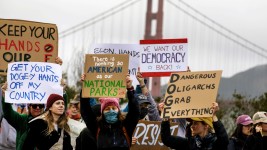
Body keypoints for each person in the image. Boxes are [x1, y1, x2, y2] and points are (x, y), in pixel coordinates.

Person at [80, 74, 139, 150]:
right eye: (107, 109)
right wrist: (85, 88)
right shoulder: (97, 127)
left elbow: (135, 111)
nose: (111, 111)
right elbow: (85, 110)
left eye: (114, 108)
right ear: (102, 112)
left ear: (118, 110)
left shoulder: (126, 126)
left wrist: (130, 89)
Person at [161, 102, 229, 150]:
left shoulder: (215, 143)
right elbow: (167, 139)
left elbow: (224, 140)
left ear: (206, 126)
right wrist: (165, 119)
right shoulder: (190, 143)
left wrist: (213, 116)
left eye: (196, 123)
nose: (192, 126)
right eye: (192, 123)